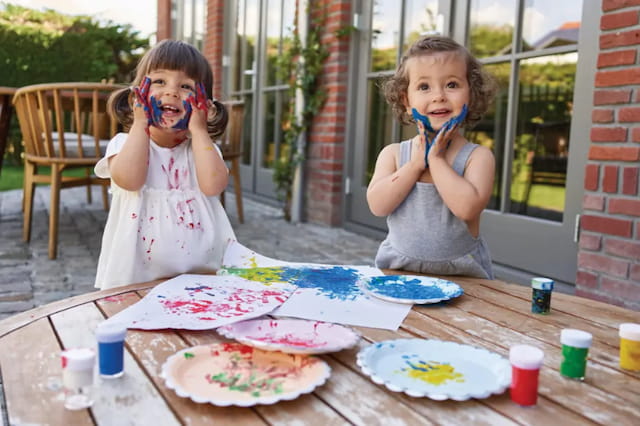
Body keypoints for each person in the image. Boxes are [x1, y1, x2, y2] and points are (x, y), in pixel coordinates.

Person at [94, 40, 236, 290]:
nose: (172, 92)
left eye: (186, 86)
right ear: (137, 97)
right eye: (159, 82)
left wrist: (200, 130)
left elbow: (214, 186)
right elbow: (130, 179)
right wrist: (140, 124)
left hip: (201, 276)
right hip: (136, 276)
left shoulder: (202, 150)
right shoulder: (124, 145)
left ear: (206, 107)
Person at [367, 35, 497, 279]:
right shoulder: (394, 154)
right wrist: (416, 165)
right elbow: (377, 205)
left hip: (464, 278)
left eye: (452, 85)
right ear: (407, 101)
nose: (439, 96)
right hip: (396, 272)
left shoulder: (477, 158)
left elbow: (467, 209)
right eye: (424, 87)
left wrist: (436, 160)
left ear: (471, 94)